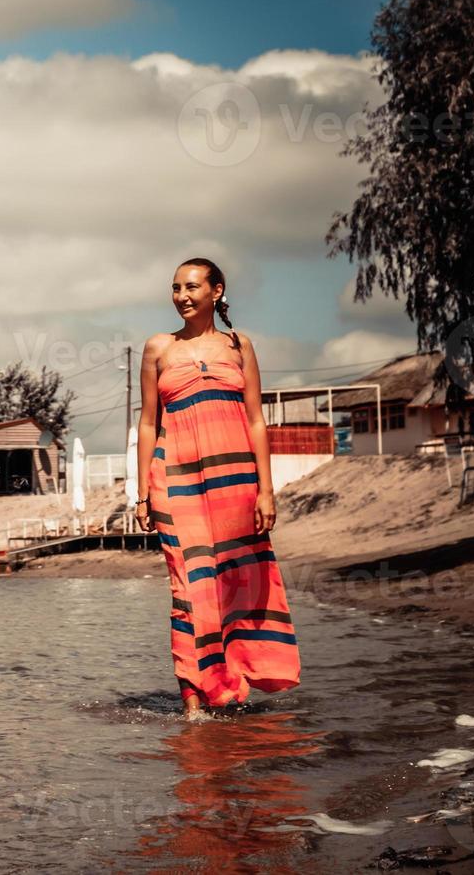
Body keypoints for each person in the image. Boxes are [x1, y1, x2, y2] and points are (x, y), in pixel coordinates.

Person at [134, 258, 300, 721]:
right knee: (189, 584)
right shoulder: (158, 348)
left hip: (236, 481)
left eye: (191, 287)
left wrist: (267, 490)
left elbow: (255, 420)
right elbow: (148, 422)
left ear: (216, 291)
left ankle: (230, 683)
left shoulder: (238, 344)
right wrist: (143, 492)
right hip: (175, 478)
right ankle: (192, 698)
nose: (182, 296)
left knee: (236, 581)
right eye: (175, 288)